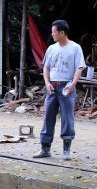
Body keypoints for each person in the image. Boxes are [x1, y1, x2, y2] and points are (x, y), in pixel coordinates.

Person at [34, 19, 85, 160]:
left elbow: (79, 67)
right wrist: (47, 82)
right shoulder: (51, 48)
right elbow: (46, 67)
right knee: (48, 117)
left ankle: (66, 151)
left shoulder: (75, 48)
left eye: (54, 32)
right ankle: (45, 149)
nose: (52, 35)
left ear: (62, 33)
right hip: (52, 87)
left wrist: (72, 85)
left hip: (66, 87)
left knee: (67, 119)